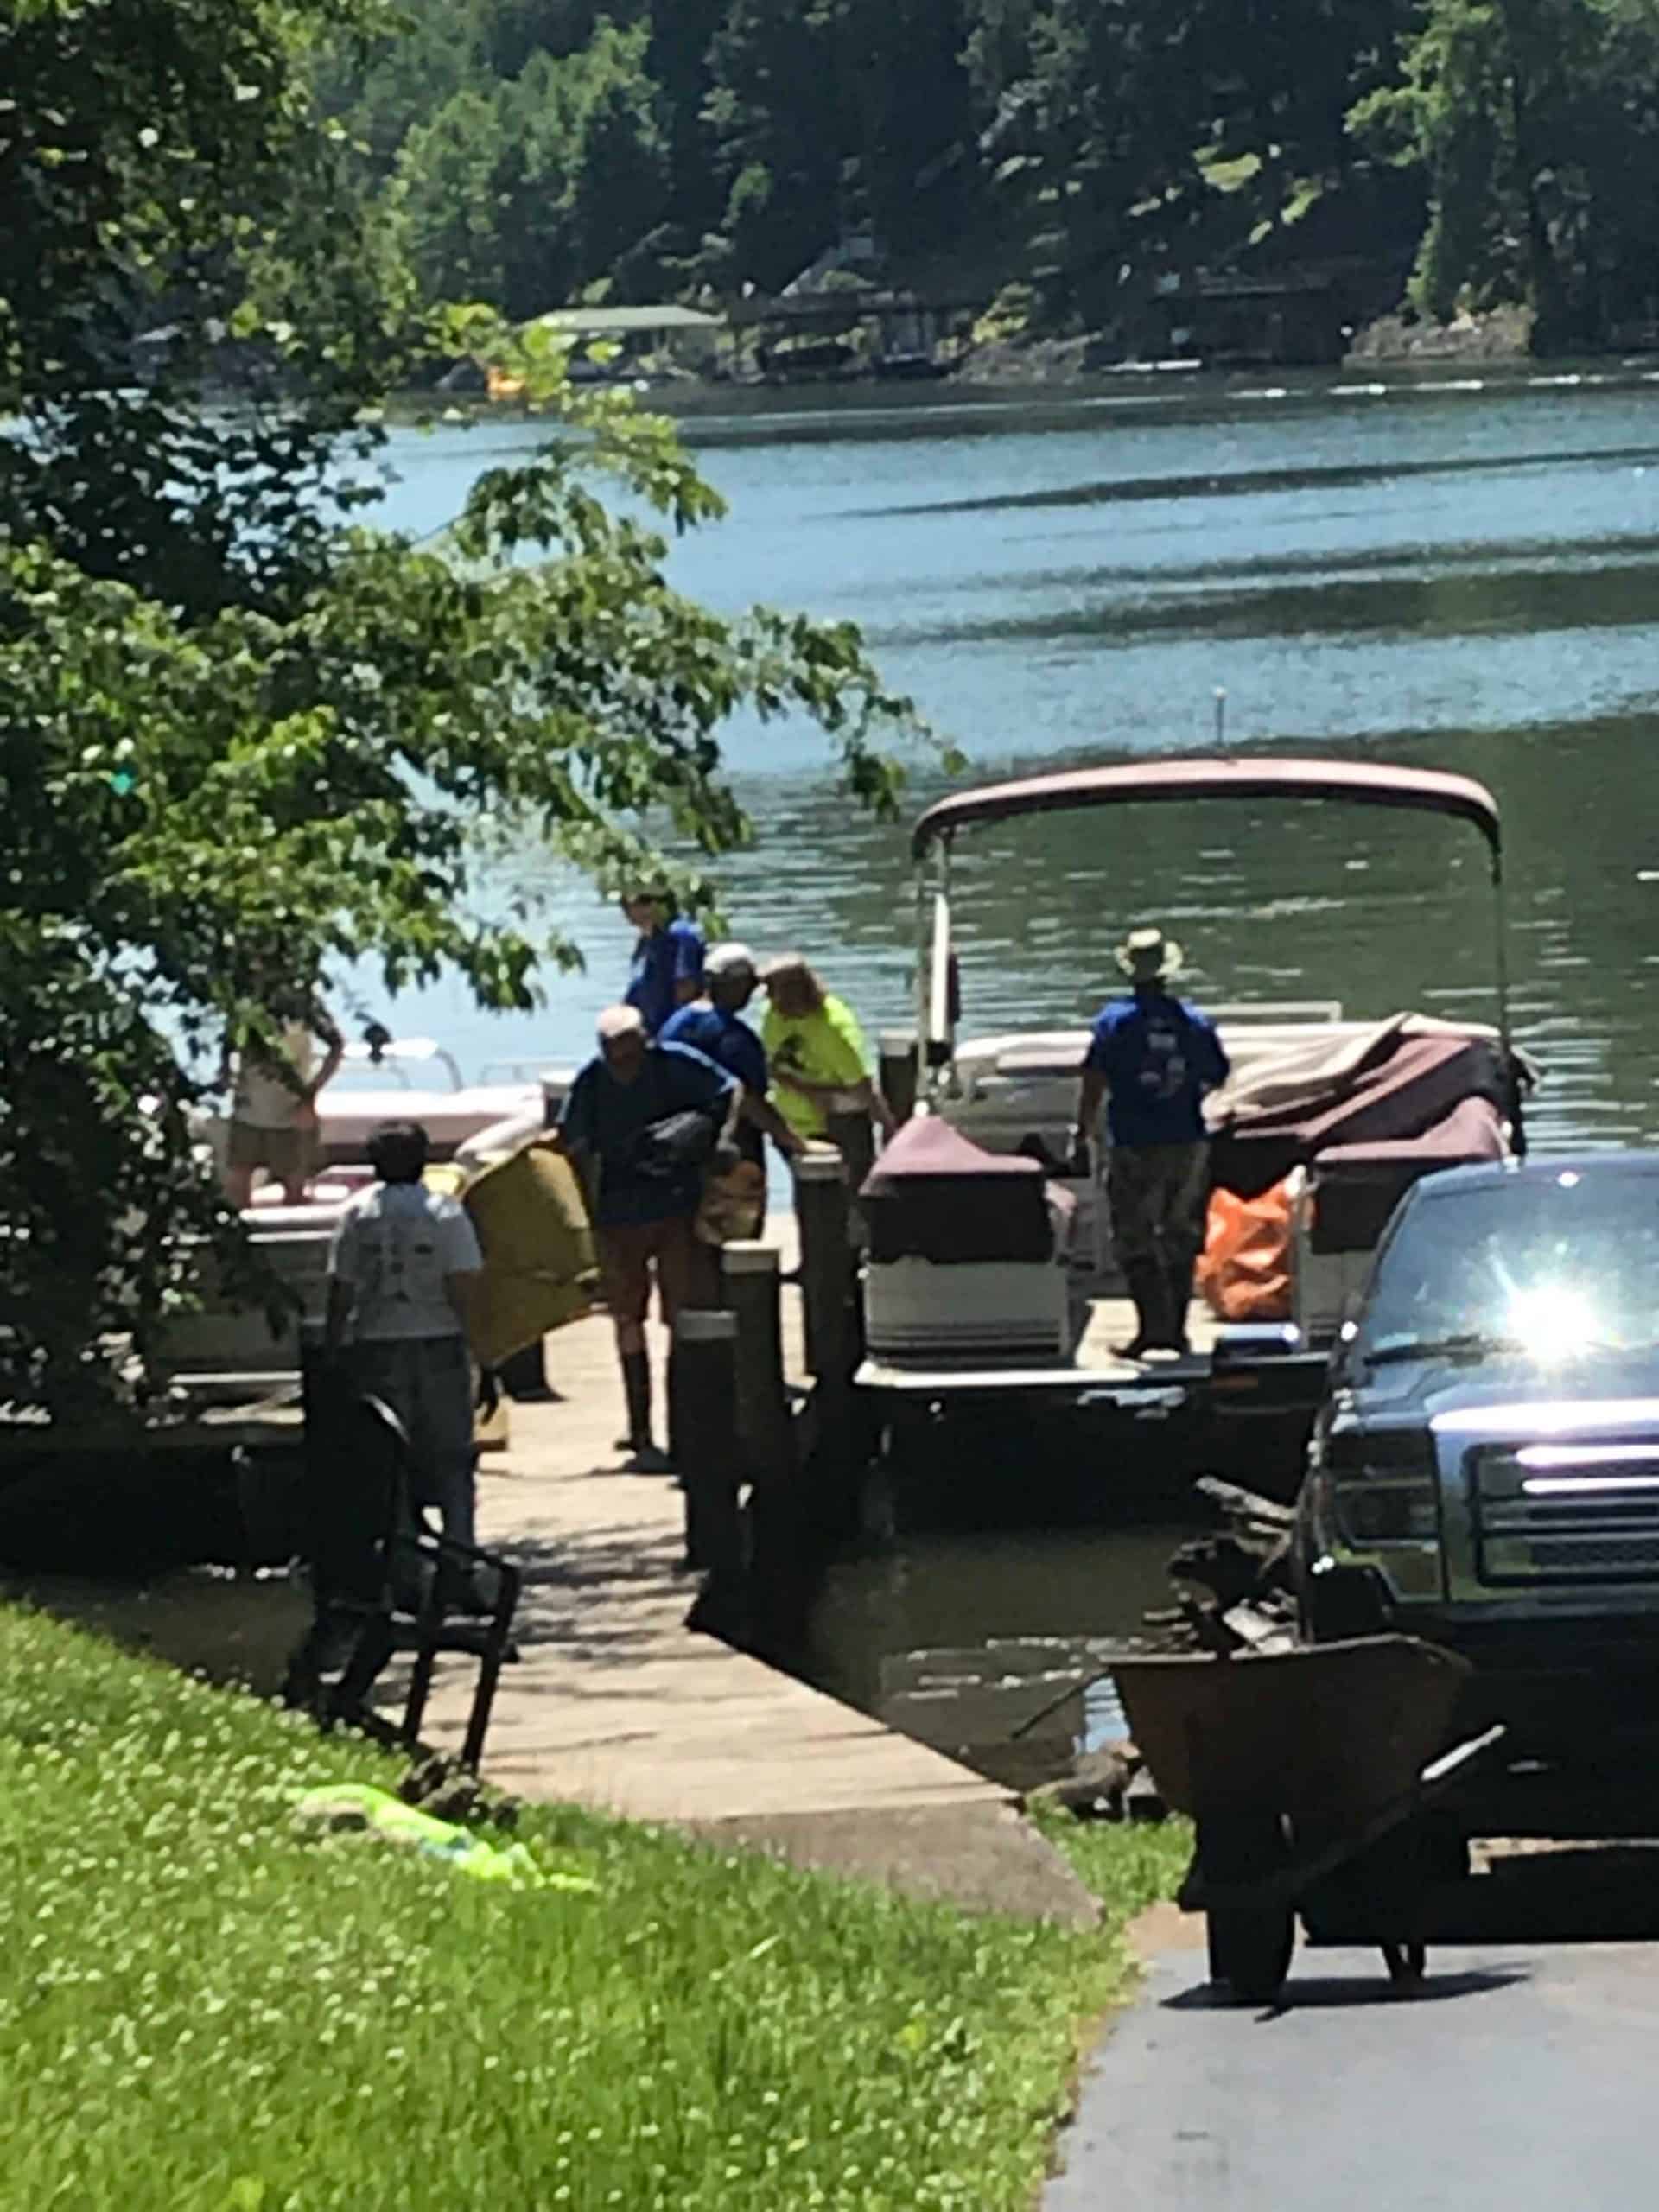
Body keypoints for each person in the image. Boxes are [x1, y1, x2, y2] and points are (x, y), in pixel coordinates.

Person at [554, 1005, 738, 1471]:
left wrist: (711, 1139)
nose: (624, 1059)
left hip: (677, 1209)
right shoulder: (591, 1081)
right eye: (614, 1051)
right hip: (619, 1215)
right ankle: (640, 1430)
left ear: (646, 1040)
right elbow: (574, 1144)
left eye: (631, 1048)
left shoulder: (675, 1062)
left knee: (683, 1315)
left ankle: (686, 1425)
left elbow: (729, 1092)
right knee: (626, 1318)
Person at [323, 1120, 486, 1552]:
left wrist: (334, 1350)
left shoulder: (356, 1215)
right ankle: (460, 1556)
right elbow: (463, 1289)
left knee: (390, 1464)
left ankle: (403, 1566)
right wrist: (483, 1354)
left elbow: (342, 1290)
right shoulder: (446, 1212)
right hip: (440, 1339)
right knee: (453, 1458)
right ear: (423, 1161)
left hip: (376, 1342)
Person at [1075, 926, 1230, 1359]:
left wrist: (1081, 1129)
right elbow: (1217, 1074)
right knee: (1180, 1234)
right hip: (1186, 1140)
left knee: (1134, 1236)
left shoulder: (1113, 1022)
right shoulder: (1194, 1022)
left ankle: (1150, 1333)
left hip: (1133, 1142)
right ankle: (1176, 1333)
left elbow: (1093, 1080)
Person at [658, 943, 808, 1183]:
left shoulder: (673, 1025)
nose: (751, 993)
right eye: (750, 984)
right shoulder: (733, 1037)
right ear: (735, 985)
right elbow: (749, 1100)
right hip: (731, 1145)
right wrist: (793, 1142)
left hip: (675, 1140)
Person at [760, 954, 895, 1154]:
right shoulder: (772, 1015)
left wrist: (888, 1126)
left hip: (835, 1124)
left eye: (772, 990)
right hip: (790, 1123)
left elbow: (861, 1086)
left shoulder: (833, 1028)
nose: (766, 996)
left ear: (793, 992)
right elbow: (769, 1063)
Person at [225, 998, 344, 1208]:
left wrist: (311, 1092)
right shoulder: (245, 1001)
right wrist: (227, 1074)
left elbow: (336, 1045)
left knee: (295, 1191)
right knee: (238, 1186)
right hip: (247, 1111)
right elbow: (228, 1045)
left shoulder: (305, 1004)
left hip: (293, 1113)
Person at [620, 885, 705, 1036]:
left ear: (653, 905)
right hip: (649, 1029)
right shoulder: (648, 939)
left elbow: (686, 988)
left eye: (628, 905)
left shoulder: (679, 934)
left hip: (672, 1032)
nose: (625, 911)